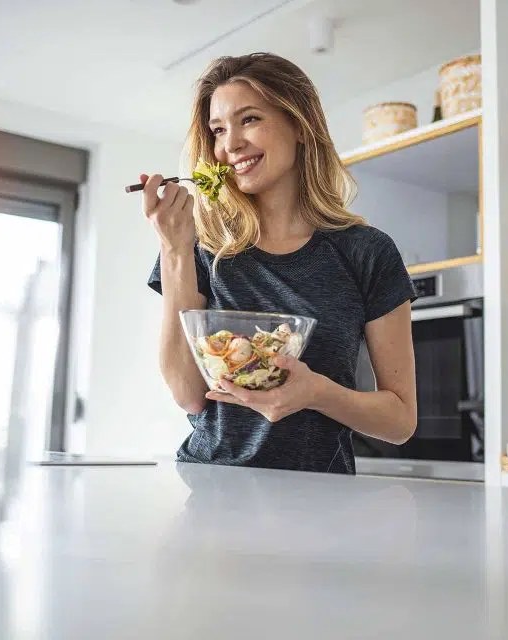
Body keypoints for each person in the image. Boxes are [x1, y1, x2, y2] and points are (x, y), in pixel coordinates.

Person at [143, 52, 417, 475]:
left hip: (321, 501)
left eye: (249, 119)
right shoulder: (198, 245)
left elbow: (400, 421)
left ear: (300, 126)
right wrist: (174, 249)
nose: (230, 144)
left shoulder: (368, 252)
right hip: (212, 490)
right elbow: (188, 394)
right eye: (218, 130)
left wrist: (315, 392)